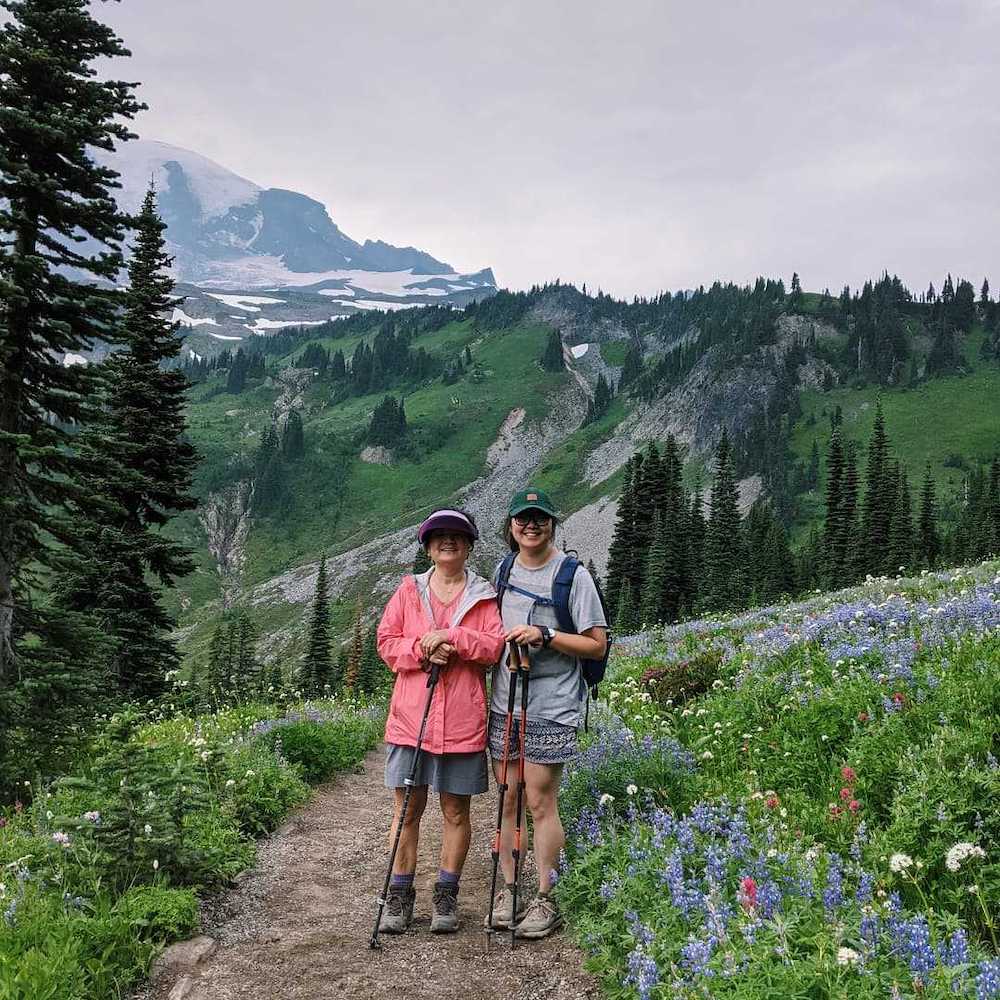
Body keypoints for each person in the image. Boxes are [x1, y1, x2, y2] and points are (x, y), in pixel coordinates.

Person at [376, 508, 505, 935]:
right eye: (439, 537)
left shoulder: (484, 596)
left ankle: (446, 896)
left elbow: (492, 647)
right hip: (412, 720)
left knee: (455, 810)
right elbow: (387, 643)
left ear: (468, 546)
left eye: (457, 536)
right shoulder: (408, 591)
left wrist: (454, 639)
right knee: (407, 808)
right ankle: (399, 895)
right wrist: (420, 650)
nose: (448, 542)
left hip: (463, 722)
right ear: (428, 547)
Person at [487, 487, 608, 939]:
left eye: (539, 518)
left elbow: (596, 643)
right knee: (508, 796)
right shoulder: (502, 570)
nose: (531, 525)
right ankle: (508, 888)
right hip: (506, 698)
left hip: (552, 702)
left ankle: (545, 895)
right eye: (523, 518)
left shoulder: (572, 576)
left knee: (539, 799)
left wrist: (546, 634)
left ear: (552, 523)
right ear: (511, 525)